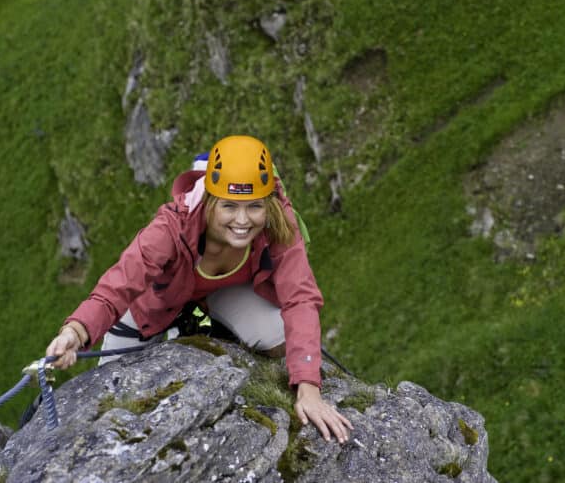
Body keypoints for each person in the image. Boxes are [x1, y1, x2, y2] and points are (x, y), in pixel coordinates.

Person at [45, 135, 353, 443]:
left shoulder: (278, 222)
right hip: (150, 304)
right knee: (108, 397)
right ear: (209, 200)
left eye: (254, 207)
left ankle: (213, 330)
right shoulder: (172, 226)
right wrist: (76, 332)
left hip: (220, 293)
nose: (243, 221)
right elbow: (120, 282)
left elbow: (300, 296)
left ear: (268, 202)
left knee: (276, 334)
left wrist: (309, 389)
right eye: (229, 207)